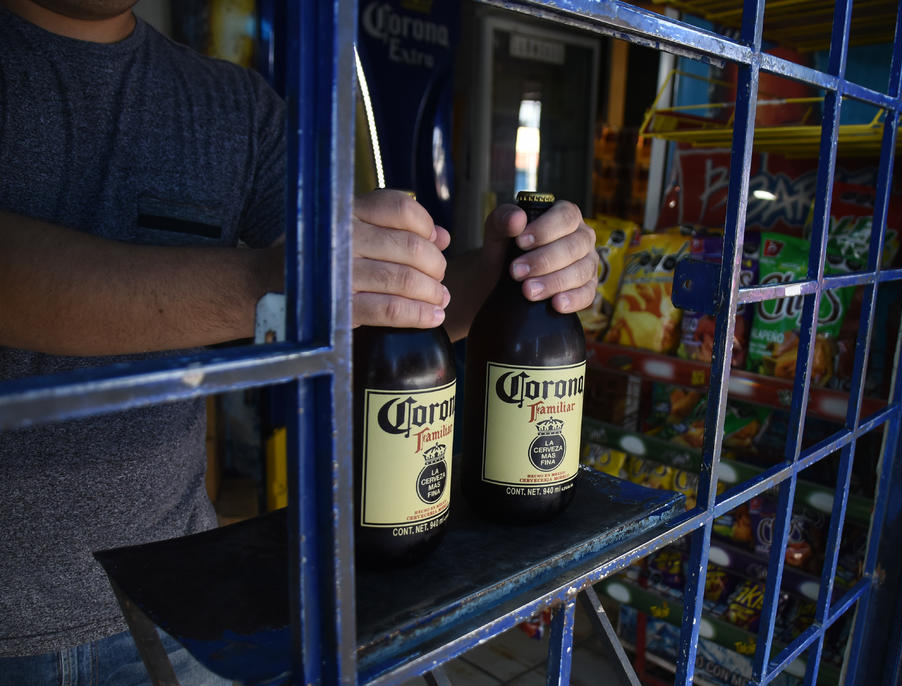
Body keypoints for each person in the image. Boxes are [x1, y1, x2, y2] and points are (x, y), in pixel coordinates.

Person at [0, 1, 599, 684]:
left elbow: (361, 295)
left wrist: (505, 279)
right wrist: (265, 281)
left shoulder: (233, 106)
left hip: (175, 592)